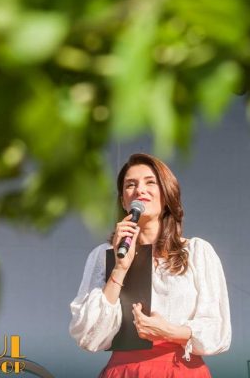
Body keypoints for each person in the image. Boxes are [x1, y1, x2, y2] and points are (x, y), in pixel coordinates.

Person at [69, 153, 231, 377]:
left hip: (180, 370)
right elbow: (88, 335)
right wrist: (119, 268)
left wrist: (169, 331)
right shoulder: (103, 255)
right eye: (130, 185)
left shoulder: (197, 252)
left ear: (166, 194)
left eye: (150, 182)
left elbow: (217, 330)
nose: (140, 190)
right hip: (126, 371)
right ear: (124, 201)